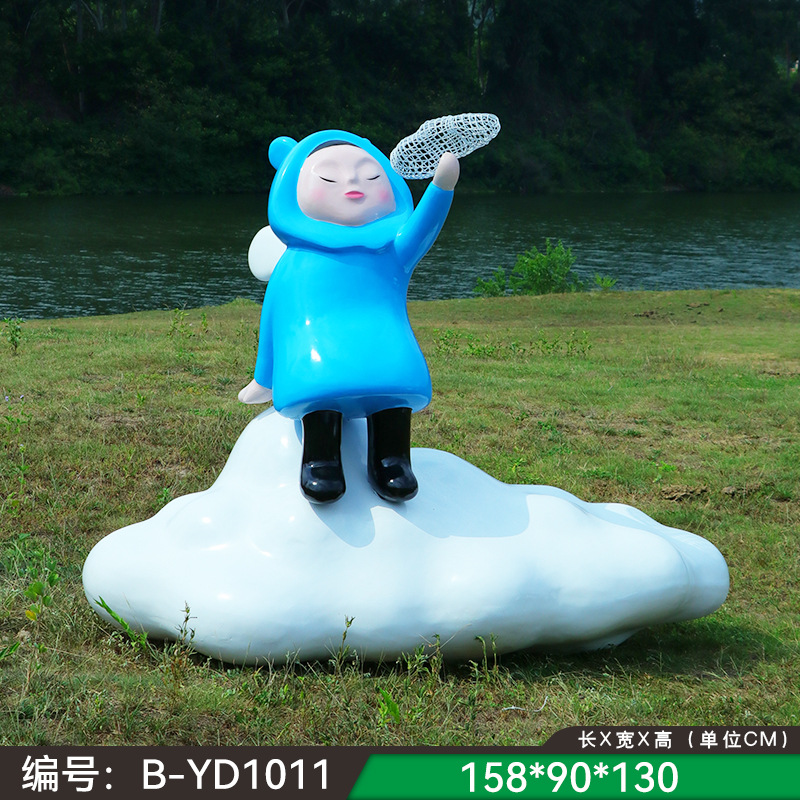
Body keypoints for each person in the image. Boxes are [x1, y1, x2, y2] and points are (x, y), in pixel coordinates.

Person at [239, 130, 459, 504]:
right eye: (329, 178)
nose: (353, 184)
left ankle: (392, 460)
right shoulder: (298, 261)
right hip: (319, 353)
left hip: (386, 344)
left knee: (393, 395)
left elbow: (423, 230)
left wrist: (441, 188)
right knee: (320, 393)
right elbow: (274, 316)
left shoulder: (390, 249)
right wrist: (265, 377)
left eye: (370, 176)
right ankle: (321, 459)